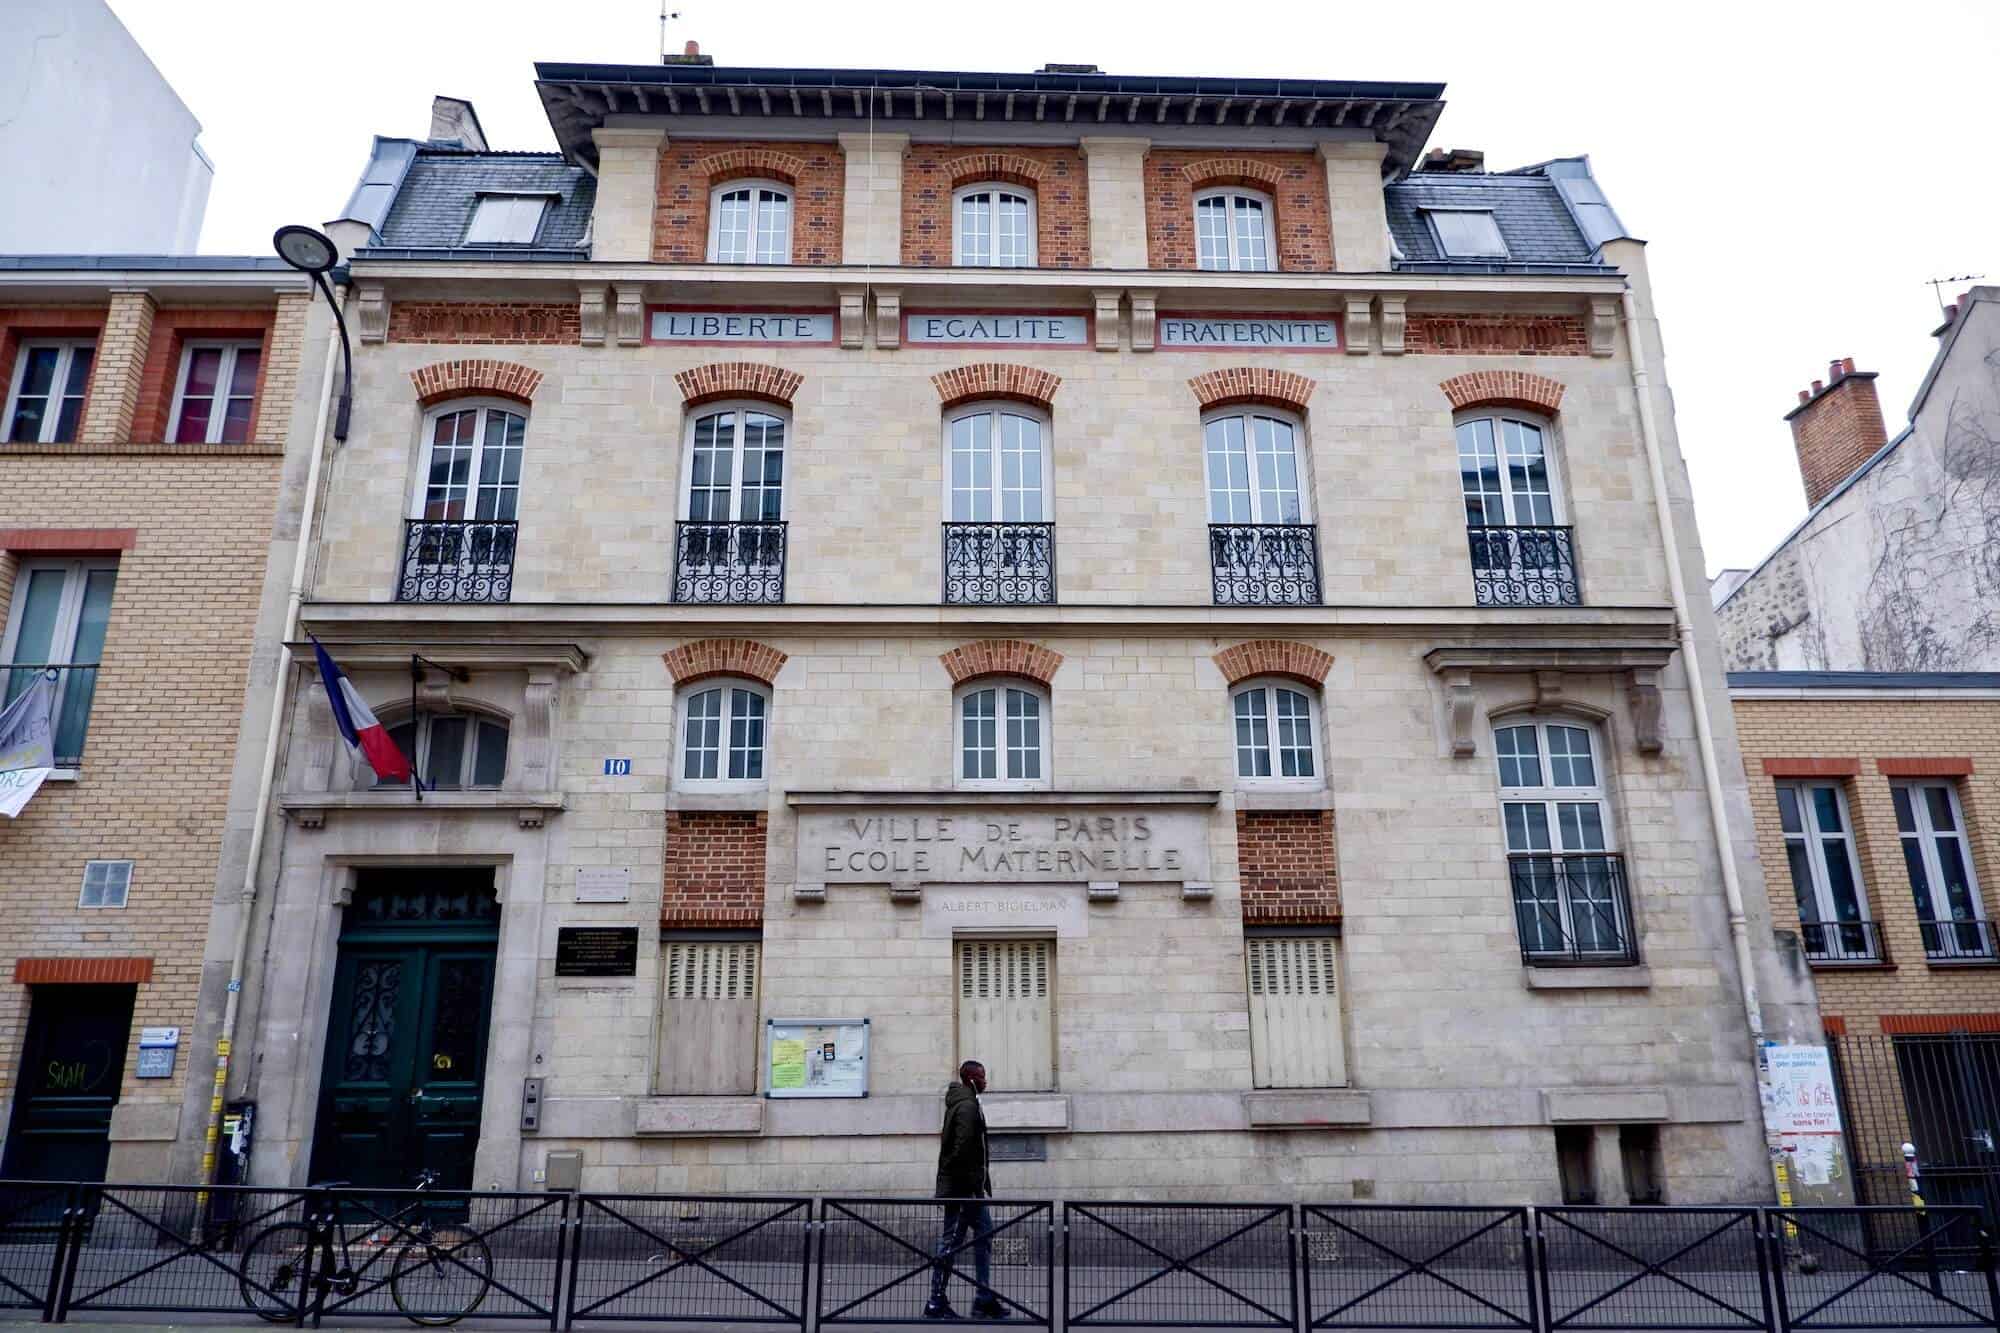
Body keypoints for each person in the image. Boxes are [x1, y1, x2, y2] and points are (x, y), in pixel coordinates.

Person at [926, 1059, 1006, 1320]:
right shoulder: (967, 1106)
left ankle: (983, 1298)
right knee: (950, 1242)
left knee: (984, 1233)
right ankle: (936, 1302)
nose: (986, 1081)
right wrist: (967, 1188)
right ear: (971, 1079)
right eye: (982, 1077)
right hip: (964, 1190)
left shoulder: (966, 1103)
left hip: (969, 1188)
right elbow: (961, 1150)